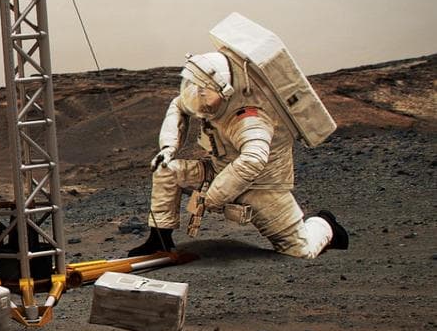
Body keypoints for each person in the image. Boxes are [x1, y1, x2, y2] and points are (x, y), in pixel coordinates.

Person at [127, 52, 348, 258]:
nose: (199, 95)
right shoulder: (208, 96)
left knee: (299, 249)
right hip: (220, 170)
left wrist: (214, 196)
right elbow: (178, 105)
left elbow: (253, 160)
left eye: (204, 91)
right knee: (167, 170)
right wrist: (168, 148)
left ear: (225, 90)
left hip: (262, 186)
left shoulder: (250, 118)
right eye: (197, 88)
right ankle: (160, 240)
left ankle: (325, 224)